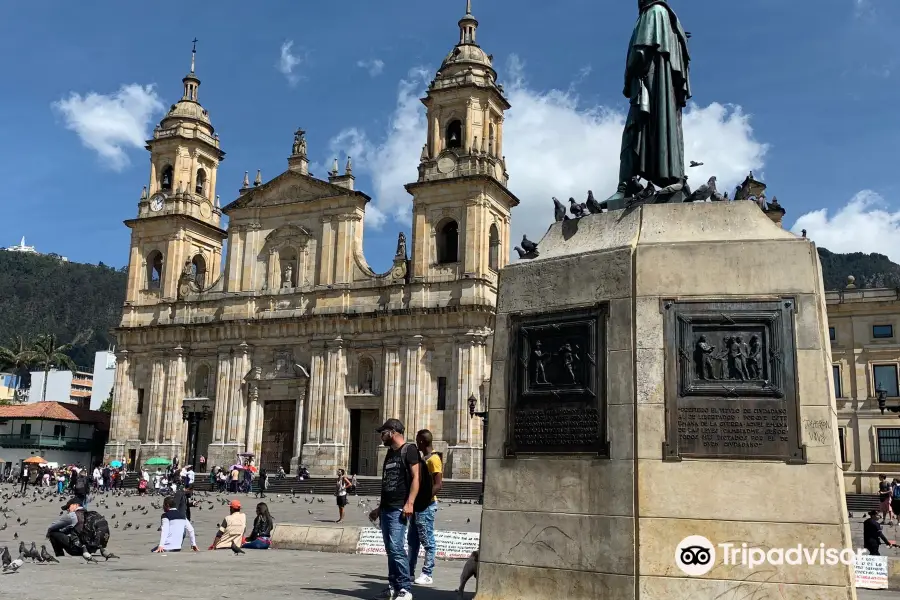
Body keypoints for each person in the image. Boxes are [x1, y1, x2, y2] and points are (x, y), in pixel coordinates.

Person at [369, 418, 420, 600]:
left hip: (400, 507)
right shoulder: (390, 455)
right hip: (386, 508)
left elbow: (416, 478)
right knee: (390, 549)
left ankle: (405, 588)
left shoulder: (410, 450)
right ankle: (393, 587)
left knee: (397, 548)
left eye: (383, 433)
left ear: (393, 432)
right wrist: (378, 508)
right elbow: (387, 484)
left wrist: (410, 503)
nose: (381, 437)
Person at [409, 429, 444, 586]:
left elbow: (438, 484)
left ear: (422, 441)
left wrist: (424, 499)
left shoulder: (434, 459)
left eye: (417, 440)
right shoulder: (425, 458)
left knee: (427, 540)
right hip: (418, 505)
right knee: (413, 540)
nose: (416, 443)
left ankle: (427, 573)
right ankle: (409, 572)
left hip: (426, 505)